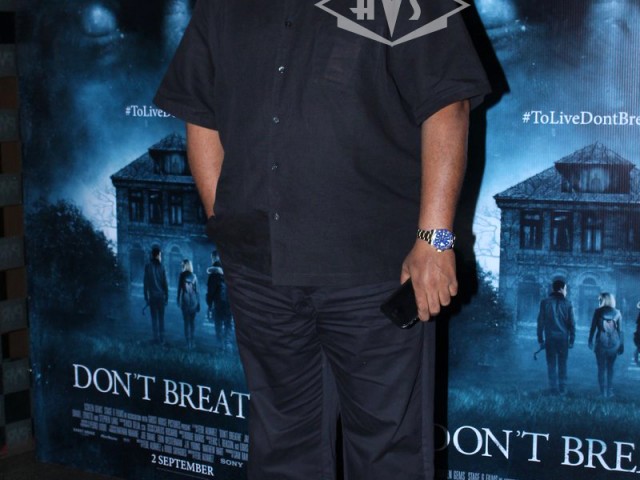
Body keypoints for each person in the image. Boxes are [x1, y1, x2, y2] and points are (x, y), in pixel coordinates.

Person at [154, 1, 490, 478]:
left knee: (387, 456)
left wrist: (435, 241)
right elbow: (201, 114)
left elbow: (447, 104)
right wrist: (227, 226)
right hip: (261, 276)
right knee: (281, 450)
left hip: (375, 275)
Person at [537, 279, 576, 394]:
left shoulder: (545, 302)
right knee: (562, 363)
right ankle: (562, 388)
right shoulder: (568, 303)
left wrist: (540, 339)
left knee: (551, 363)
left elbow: (540, 322)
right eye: (565, 289)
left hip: (550, 338)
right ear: (561, 289)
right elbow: (572, 323)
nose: (566, 292)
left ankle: (553, 388)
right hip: (563, 338)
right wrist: (572, 339)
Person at [588, 292, 623, 398]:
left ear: (603, 300)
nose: (598, 301)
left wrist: (590, 340)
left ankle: (602, 392)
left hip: (600, 343)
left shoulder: (598, 312)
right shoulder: (617, 313)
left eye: (600, 299)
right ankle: (609, 392)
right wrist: (621, 345)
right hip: (614, 344)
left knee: (601, 368)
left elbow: (593, 327)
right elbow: (620, 331)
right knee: (610, 368)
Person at [143, 245, 169, 345]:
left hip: (152, 297)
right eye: (160, 255)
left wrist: (146, 296)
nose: (161, 257)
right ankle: (162, 339)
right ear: (157, 255)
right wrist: (167, 296)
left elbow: (146, 283)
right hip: (161, 297)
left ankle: (156, 338)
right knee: (161, 318)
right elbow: (165, 283)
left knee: (154, 318)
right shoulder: (162, 267)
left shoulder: (148, 267)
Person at [177, 258, 201, 349]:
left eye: (182, 265)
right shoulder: (194, 276)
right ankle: (192, 342)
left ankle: (188, 343)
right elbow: (197, 291)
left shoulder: (182, 275)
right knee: (192, 323)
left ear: (185, 266)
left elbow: (179, 290)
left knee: (186, 323)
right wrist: (199, 303)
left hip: (185, 302)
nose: (181, 266)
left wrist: (178, 300)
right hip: (194, 302)